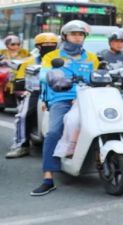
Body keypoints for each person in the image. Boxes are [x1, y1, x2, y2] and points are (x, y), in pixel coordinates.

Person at [30, 20, 99, 197]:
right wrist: (55, 76)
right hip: (62, 98)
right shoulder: (52, 56)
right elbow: (44, 74)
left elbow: (98, 76)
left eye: (80, 34)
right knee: (53, 132)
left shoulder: (91, 57)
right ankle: (48, 177)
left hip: (87, 98)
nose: (77, 37)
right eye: (73, 34)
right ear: (65, 36)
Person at [5, 33, 59, 158]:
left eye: (52, 45)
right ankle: (21, 145)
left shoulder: (63, 60)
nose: (49, 47)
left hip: (60, 92)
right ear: (38, 47)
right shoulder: (29, 61)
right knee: (24, 115)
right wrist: (23, 91)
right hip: (36, 92)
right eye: (45, 45)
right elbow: (19, 80)